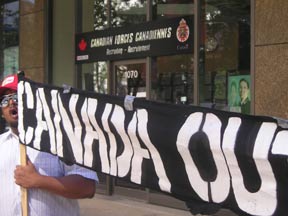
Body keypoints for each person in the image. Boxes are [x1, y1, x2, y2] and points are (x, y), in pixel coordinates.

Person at [0, 73, 98, 216]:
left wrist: (39, 180)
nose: (11, 103)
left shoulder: (62, 139)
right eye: (4, 100)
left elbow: (87, 186)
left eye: (17, 96)